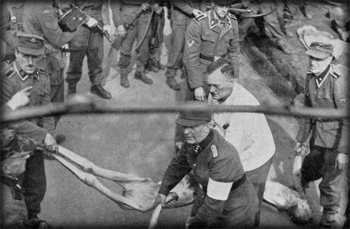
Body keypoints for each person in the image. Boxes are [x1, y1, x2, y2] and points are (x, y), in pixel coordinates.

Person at [154, 107, 259, 228]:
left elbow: (214, 204)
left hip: (235, 210)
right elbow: (178, 166)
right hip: (207, 196)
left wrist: (196, 223)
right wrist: (163, 191)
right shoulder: (193, 141)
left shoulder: (223, 157)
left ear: (208, 125)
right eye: (184, 126)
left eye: (192, 127)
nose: (185, 132)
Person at [206, 58, 276, 227]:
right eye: (209, 85)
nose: (211, 90)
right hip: (233, 148)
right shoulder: (216, 93)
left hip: (256, 159)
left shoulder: (243, 107)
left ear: (232, 80)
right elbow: (213, 121)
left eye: (216, 86)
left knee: (248, 203)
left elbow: (230, 153)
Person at [1, 33, 58, 223]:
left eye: (35, 56)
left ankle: (32, 219)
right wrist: (43, 135)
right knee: (15, 192)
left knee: (37, 187)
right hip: (13, 148)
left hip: (36, 145)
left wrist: (50, 135)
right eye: (25, 56)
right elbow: (12, 120)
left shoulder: (42, 76)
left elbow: (47, 110)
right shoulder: (6, 79)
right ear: (16, 53)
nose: (30, 62)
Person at [22, 0, 100, 129]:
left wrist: (77, 18)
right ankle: (47, 139)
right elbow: (59, 40)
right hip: (49, 60)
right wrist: (78, 31)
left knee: (41, 99)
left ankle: (42, 138)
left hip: (37, 55)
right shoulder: (45, 10)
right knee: (54, 100)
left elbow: (49, 24)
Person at [295, 41, 349, 228]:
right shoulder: (311, 77)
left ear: (330, 59)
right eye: (311, 57)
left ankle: (328, 217)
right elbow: (308, 111)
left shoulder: (338, 82)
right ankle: (302, 186)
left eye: (319, 59)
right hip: (318, 136)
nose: (313, 62)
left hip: (337, 140)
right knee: (310, 167)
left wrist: (344, 151)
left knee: (331, 182)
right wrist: (301, 139)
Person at [183, 1, 240, 102]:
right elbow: (190, 57)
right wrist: (197, 85)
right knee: (194, 106)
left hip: (221, 69)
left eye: (227, 6)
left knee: (217, 104)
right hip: (201, 69)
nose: (224, 9)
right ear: (213, 3)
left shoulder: (233, 22)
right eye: (221, 5)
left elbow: (234, 52)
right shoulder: (199, 23)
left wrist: (234, 76)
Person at [0, 128, 49, 228]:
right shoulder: (11, 203)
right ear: (6, 169)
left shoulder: (9, 185)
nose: (27, 157)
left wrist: (35, 223)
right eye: (20, 156)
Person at [65, 0, 112, 100]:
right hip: (78, 22)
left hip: (97, 22)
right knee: (76, 58)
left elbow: (104, 7)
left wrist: (107, 24)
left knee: (97, 56)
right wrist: (86, 19)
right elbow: (66, 6)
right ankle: (71, 88)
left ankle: (96, 85)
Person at [111, 1, 157, 88]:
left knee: (144, 46)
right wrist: (119, 24)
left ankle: (140, 71)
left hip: (145, 15)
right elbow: (115, 7)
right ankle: (123, 73)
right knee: (126, 47)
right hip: (128, 15)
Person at [164, 0, 207, 90]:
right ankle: (170, 74)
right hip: (180, 15)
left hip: (196, 15)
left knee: (191, 46)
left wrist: (204, 13)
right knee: (177, 47)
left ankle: (186, 68)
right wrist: (192, 10)